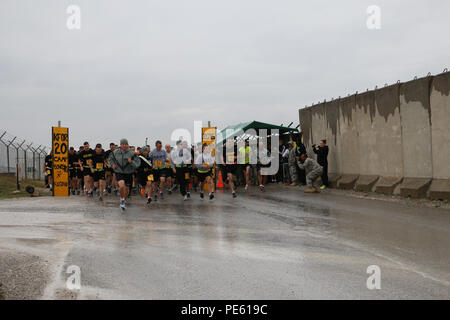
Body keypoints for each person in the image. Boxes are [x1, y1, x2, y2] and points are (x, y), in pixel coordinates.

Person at [108, 138, 141, 210]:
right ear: (120, 145)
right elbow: (110, 158)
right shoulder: (115, 152)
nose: (124, 145)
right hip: (119, 171)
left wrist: (131, 162)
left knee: (127, 190)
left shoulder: (132, 153)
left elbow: (138, 163)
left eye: (126, 144)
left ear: (128, 145)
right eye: (123, 144)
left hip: (128, 172)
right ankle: (122, 200)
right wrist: (112, 164)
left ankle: (124, 199)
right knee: (121, 185)